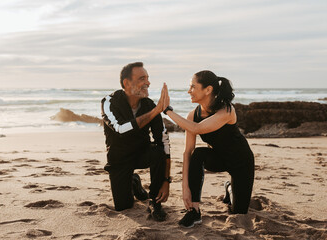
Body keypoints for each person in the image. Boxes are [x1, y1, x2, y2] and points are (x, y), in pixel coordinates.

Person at [161, 70, 254, 228]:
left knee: (239, 212)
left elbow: (197, 128)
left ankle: (230, 188)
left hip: (241, 162)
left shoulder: (226, 110)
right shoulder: (193, 115)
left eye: (192, 87)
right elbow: (187, 151)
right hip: (217, 158)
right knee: (198, 154)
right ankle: (194, 211)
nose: (189, 91)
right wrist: (186, 188)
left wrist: (167, 110)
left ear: (208, 90)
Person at [101, 62, 172, 221]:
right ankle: (134, 182)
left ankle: (155, 202)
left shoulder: (149, 105)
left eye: (147, 78)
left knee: (158, 152)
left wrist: (166, 181)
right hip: (119, 160)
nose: (147, 82)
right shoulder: (109, 102)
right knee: (124, 206)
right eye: (142, 78)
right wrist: (155, 112)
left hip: (142, 154)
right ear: (127, 83)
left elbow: (164, 142)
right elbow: (120, 129)